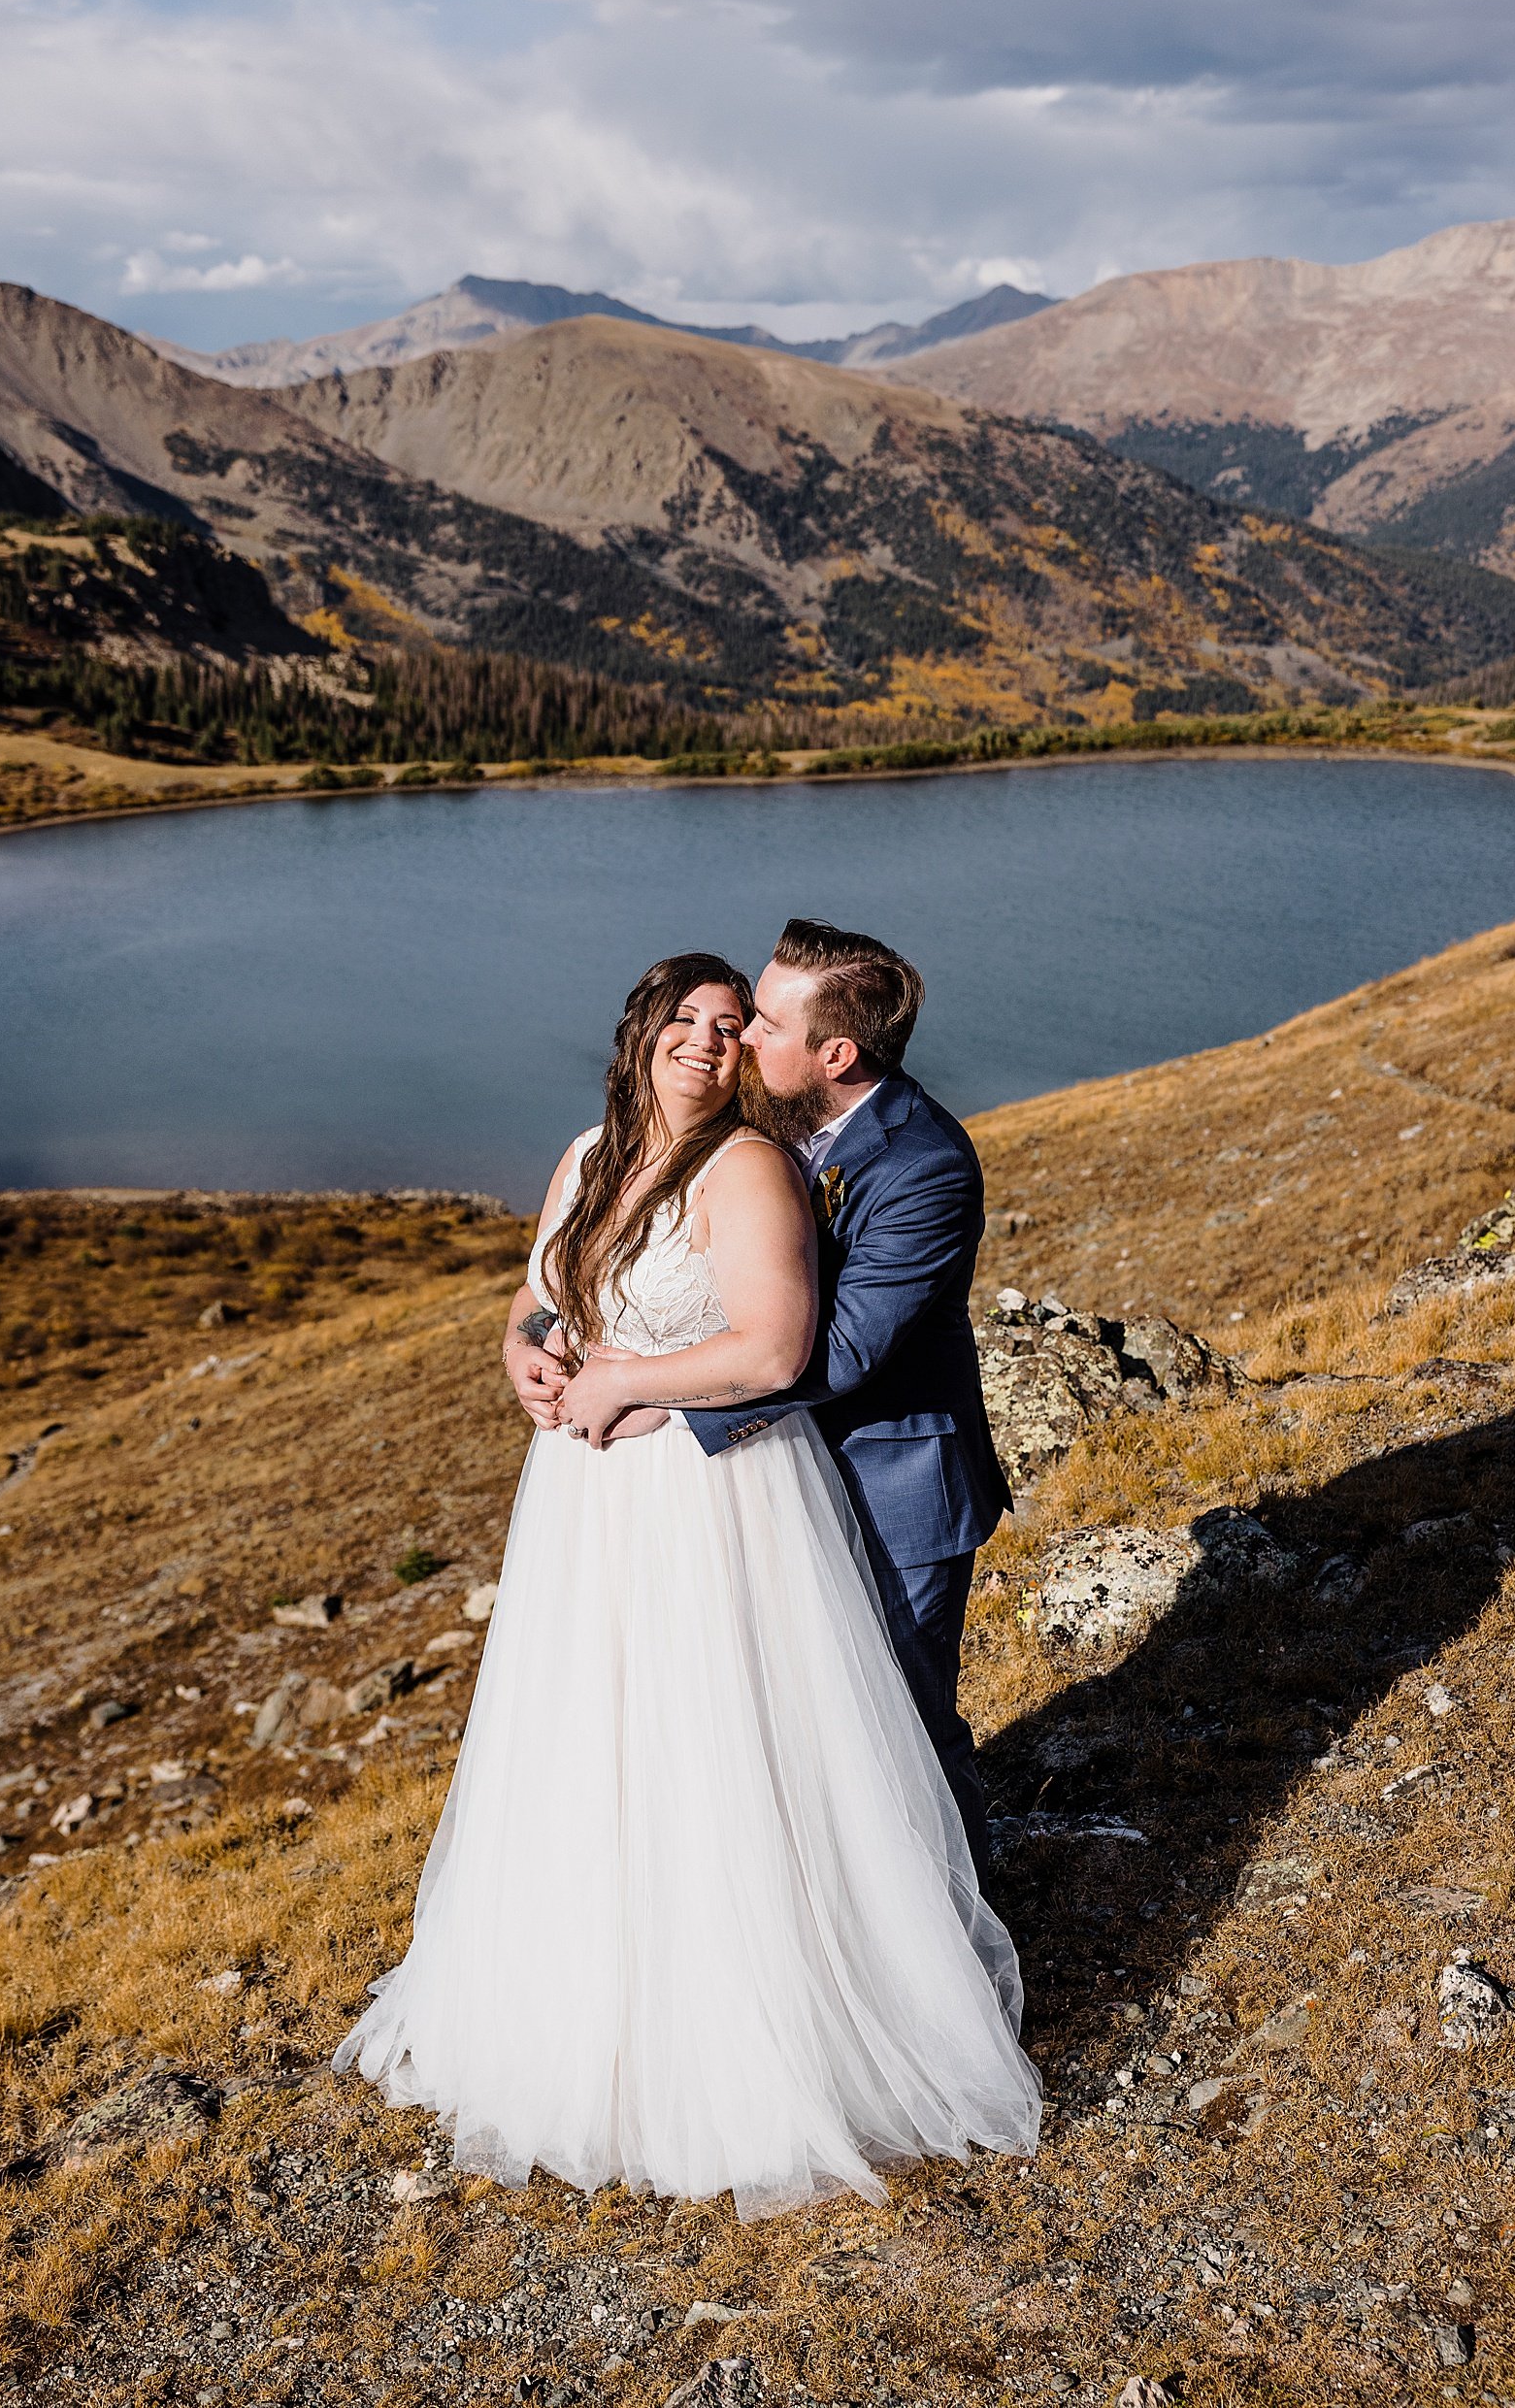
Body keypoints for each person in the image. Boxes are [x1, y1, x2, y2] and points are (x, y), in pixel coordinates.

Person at [334, 951, 1039, 2218]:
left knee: (824, 1740)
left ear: (823, 1050)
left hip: (727, 1492)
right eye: (698, 1018)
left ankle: (887, 1978)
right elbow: (542, 1299)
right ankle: (592, 1994)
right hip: (586, 1499)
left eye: (745, 1021)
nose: (721, 1038)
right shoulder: (584, 1156)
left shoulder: (787, 1159)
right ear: (642, 1028)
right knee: (599, 1736)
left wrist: (636, 1384)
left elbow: (797, 1344)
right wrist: (527, 1357)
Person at [564, 917, 1011, 1884]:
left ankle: (966, 1945)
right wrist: (536, 1335)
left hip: (888, 1480)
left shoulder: (923, 1165)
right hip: (770, 1486)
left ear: (836, 1052)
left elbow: (839, 1347)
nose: (741, 1039)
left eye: (762, 1022)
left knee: (900, 1724)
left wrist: (669, 1399)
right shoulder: (771, 1116)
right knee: (790, 1727)